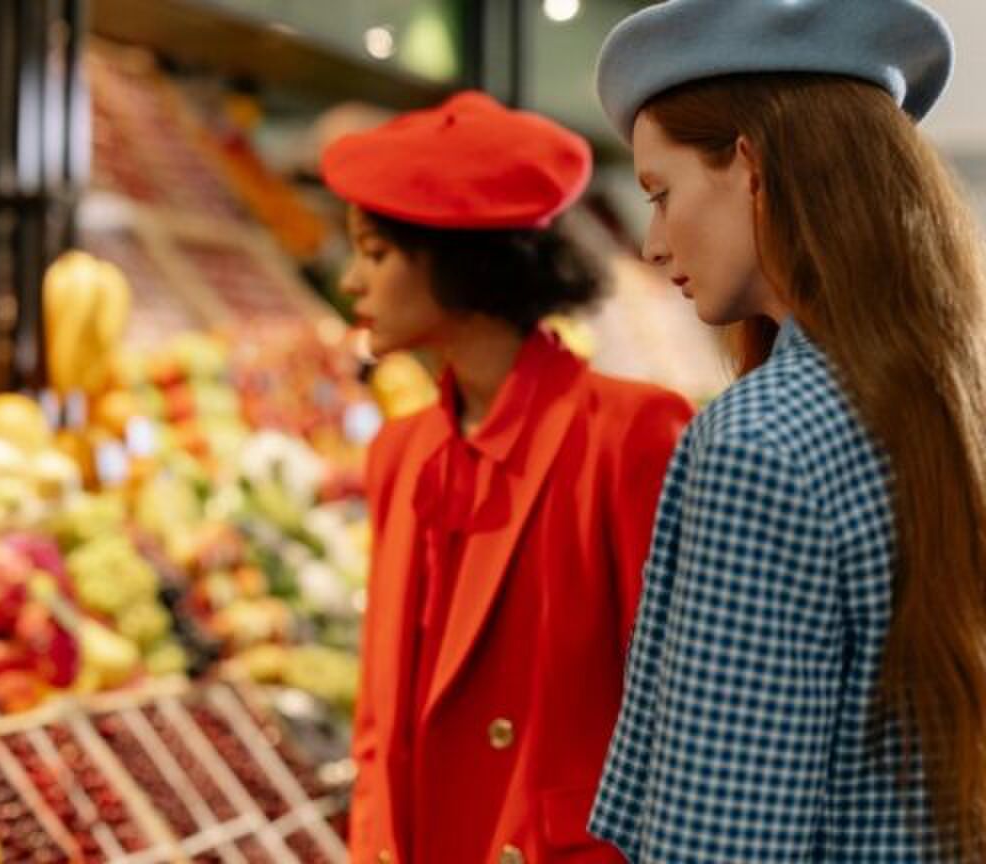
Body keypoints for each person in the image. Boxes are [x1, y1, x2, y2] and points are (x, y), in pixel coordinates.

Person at [589, 1, 986, 860]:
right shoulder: (957, 404)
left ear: (751, 165)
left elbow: (721, 838)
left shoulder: (761, 442)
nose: (654, 244)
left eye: (661, 192)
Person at [323, 91, 693, 864]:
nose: (351, 283)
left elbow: (682, 714)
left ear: (460, 261)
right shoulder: (401, 452)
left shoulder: (629, 434)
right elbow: (378, 717)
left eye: (376, 252)